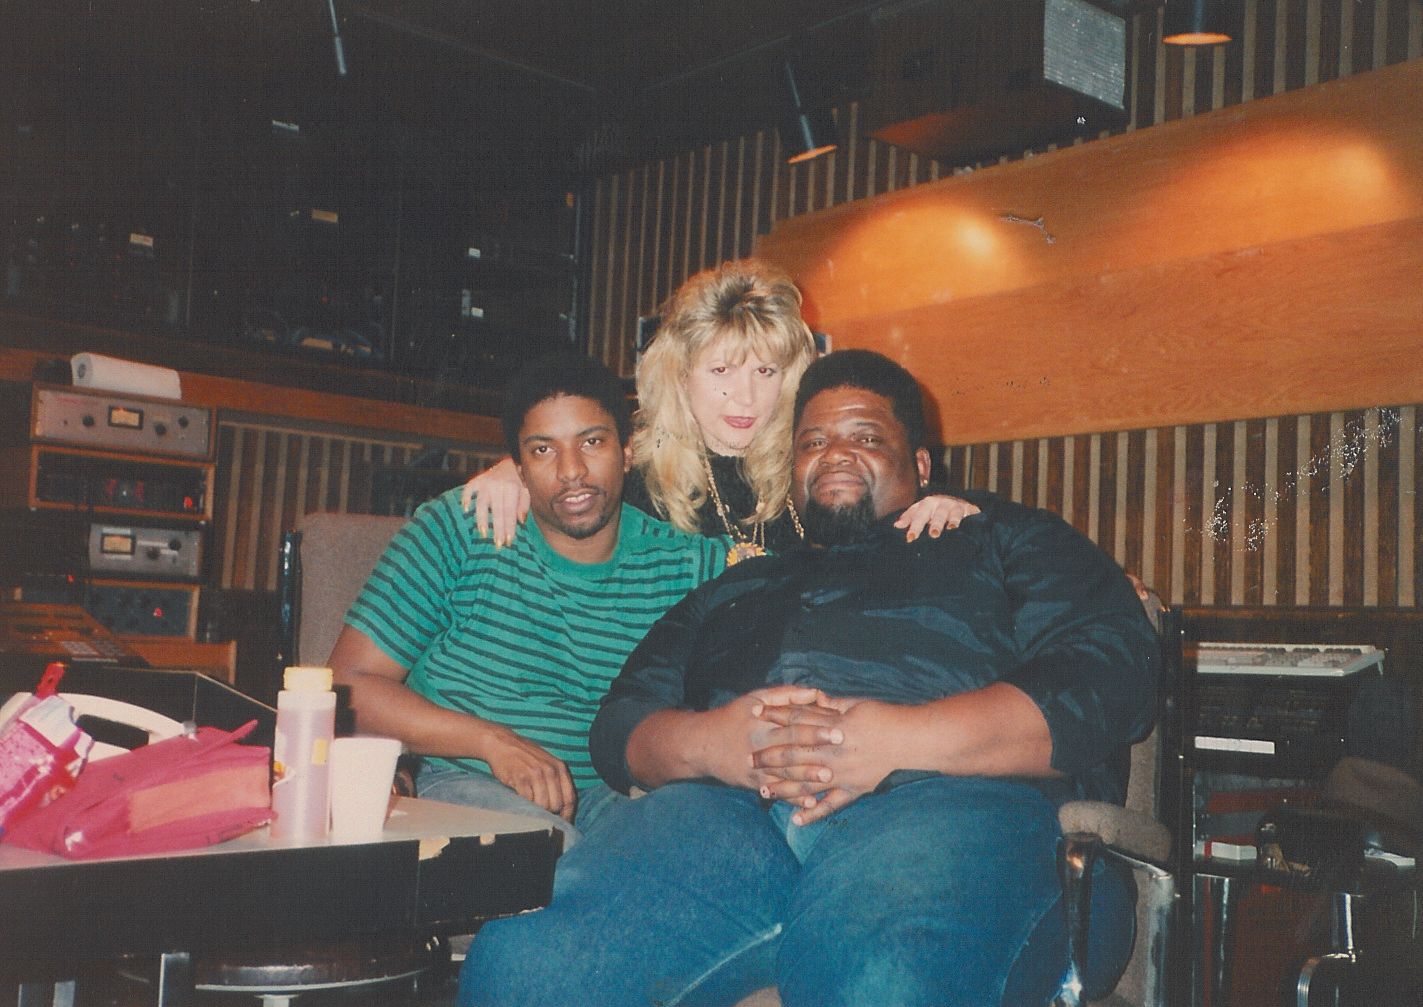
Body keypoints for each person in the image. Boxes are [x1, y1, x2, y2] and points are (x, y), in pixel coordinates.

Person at [463, 350, 1159, 1006]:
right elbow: (620, 723)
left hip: (950, 808)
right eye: (812, 441)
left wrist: (898, 740)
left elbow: (1112, 668)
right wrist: (713, 743)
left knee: (881, 980)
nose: (834, 453)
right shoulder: (740, 583)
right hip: (720, 822)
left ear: (921, 464)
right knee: (519, 966)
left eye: (865, 436)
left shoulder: (1000, 537)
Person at [328, 355, 724, 845]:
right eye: (543, 450)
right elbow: (348, 684)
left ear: (627, 452)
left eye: (592, 442)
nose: (571, 471)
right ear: (517, 468)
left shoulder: (683, 564)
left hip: (609, 796)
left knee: (697, 846)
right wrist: (493, 741)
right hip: (462, 777)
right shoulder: (461, 528)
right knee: (546, 849)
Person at [461, 259, 977, 561]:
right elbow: (567, 475)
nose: (746, 399)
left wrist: (945, 506)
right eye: (722, 371)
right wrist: (511, 473)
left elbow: (882, 519)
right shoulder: (634, 465)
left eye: (766, 372)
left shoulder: (812, 466)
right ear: (681, 373)